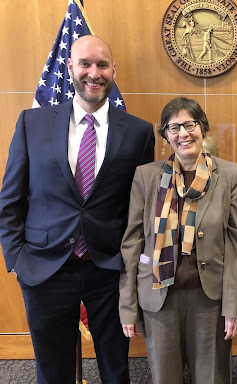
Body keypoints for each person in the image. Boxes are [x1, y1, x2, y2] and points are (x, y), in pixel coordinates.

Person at [0, 35, 155, 383]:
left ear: (114, 70)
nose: (94, 73)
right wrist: (19, 259)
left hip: (109, 270)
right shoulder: (31, 124)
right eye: (85, 63)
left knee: (116, 371)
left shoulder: (139, 133)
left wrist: (134, 266)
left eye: (102, 65)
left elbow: (140, 207)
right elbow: (10, 199)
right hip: (43, 269)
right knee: (53, 372)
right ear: (70, 67)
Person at [119, 97, 237, 384]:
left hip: (210, 300)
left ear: (203, 128)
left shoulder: (228, 174)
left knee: (212, 378)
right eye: (173, 127)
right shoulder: (146, 176)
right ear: (165, 135)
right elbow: (133, 244)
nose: (183, 133)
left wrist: (234, 307)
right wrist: (128, 307)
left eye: (190, 124)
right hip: (159, 299)